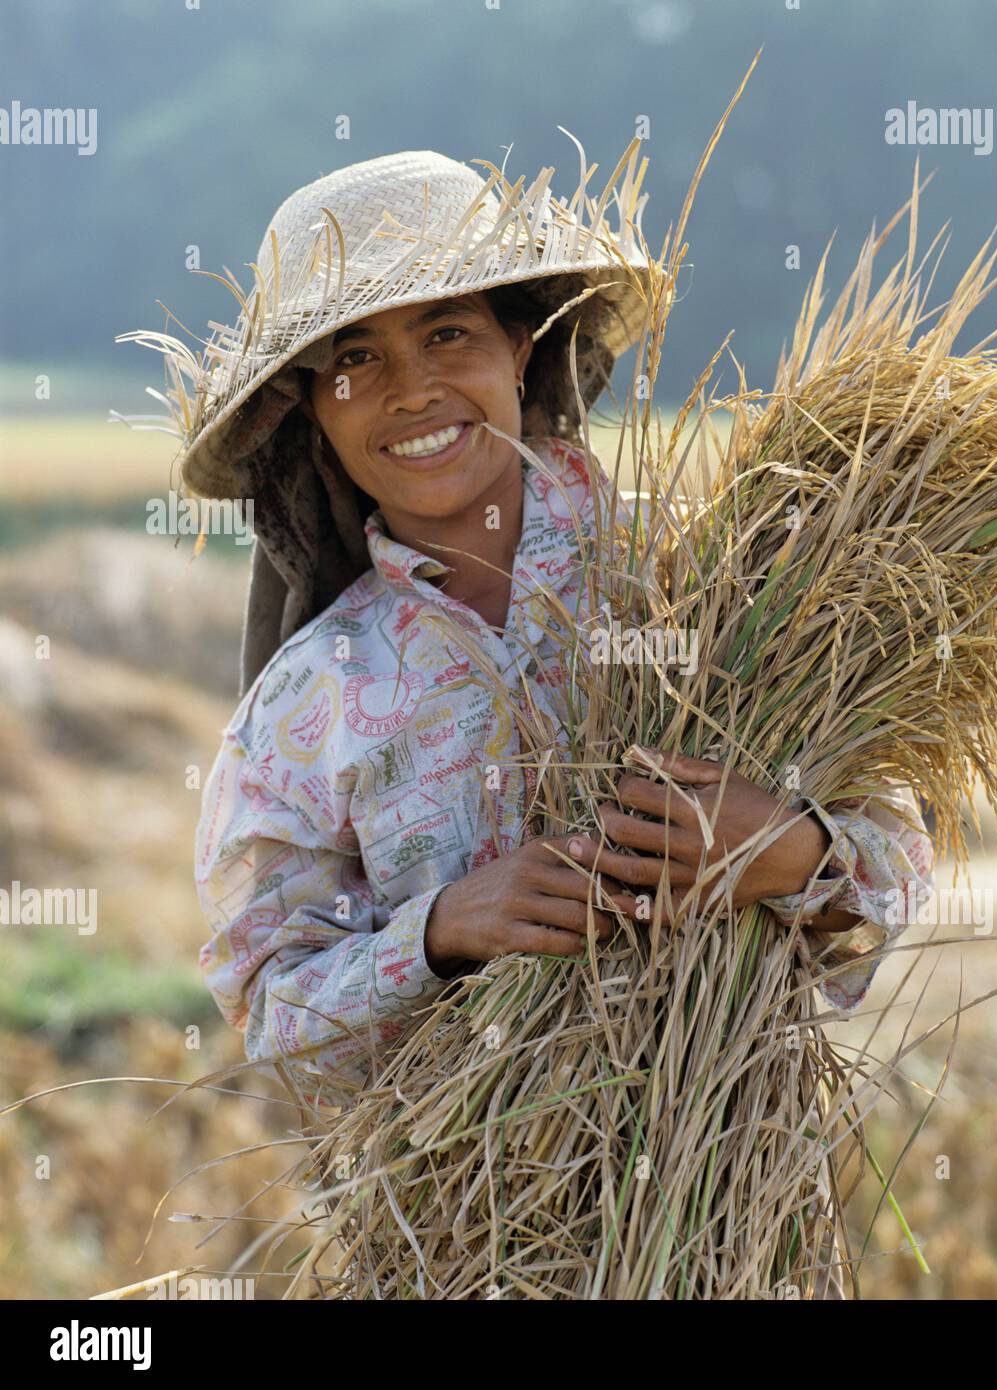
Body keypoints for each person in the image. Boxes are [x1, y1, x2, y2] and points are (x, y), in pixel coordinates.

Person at [123, 149, 934, 1255]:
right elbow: (271, 1015)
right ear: (309, 408)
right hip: (460, 1239)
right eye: (353, 358)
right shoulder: (308, 699)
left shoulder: (714, 575)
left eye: (447, 331)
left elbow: (904, 852)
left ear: (524, 342)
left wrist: (792, 850)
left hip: (732, 1220)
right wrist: (439, 932)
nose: (410, 389)